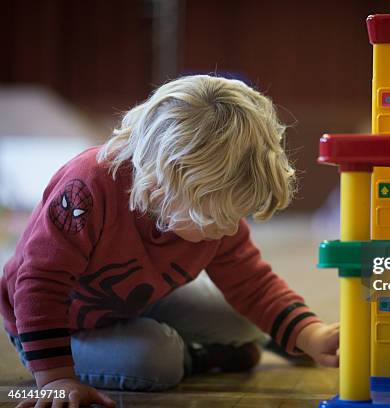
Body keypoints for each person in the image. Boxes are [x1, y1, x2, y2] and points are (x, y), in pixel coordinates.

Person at [0, 75, 339, 407]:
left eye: (234, 217)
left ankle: (262, 340)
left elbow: (254, 285)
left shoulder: (210, 207)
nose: (225, 231)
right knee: (153, 360)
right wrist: (57, 379)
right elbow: (40, 285)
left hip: (135, 301)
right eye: (212, 220)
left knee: (242, 318)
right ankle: (197, 356)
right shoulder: (86, 188)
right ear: (163, 184)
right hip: (55, 325)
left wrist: (312, 335)